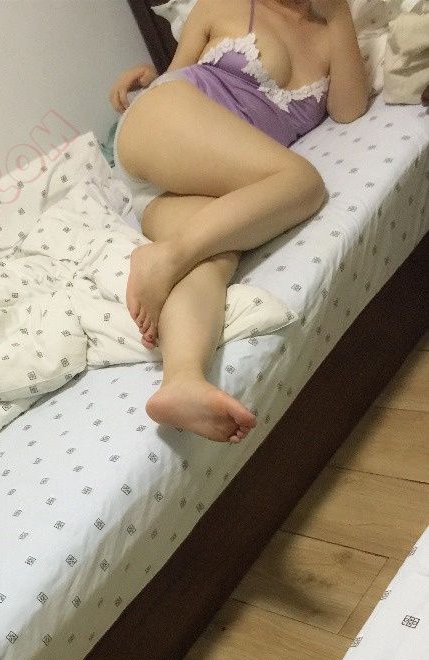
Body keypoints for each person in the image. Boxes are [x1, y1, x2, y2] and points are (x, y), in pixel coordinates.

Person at [108, 0, 369, 443]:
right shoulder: (223, 4)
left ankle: (182, 381)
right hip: (161, 125)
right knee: (303, 183)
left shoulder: (330, 33)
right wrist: (144, 79)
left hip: (173, 190)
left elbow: (349, 110)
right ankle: (166, 257)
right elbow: (173, 77)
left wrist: (340, 15)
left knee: (214, 255)